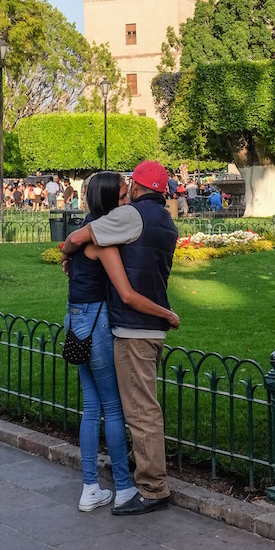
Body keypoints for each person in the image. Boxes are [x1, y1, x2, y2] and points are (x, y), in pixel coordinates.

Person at [62, 160, 178, 515]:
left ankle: (93, 487)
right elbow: (125, 291)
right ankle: (133, 488)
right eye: (122, 194)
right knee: (121, 409)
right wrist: (167, 314)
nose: (128, 197)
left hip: (84, 320)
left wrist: (68, 253)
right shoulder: (166, 223)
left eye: (131, 190)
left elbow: (74, 239)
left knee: (99, 407)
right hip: (122, 323)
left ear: (139, 188)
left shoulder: (122, 221)